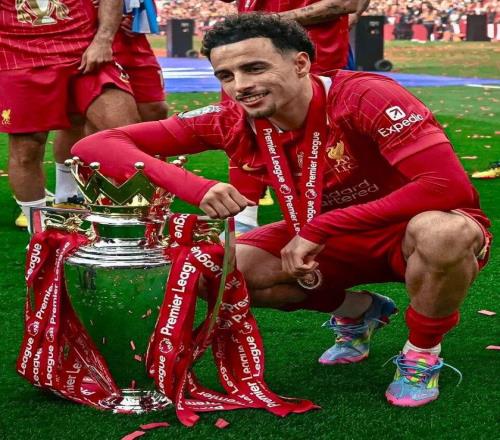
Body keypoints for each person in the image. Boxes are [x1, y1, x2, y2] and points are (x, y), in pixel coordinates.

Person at [73, 14, 492, 407]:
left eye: (254, 68)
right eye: (226, 76)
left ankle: (421, 353)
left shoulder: (364, 96)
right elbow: (95, 145)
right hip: (321, 241)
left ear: (301, 64)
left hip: (406, 233)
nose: (240, 86)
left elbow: (447, 186)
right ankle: (360, 310)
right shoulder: (231, 119)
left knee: (445, 233)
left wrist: (323, 225)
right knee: (217, 271)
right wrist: (196, 188)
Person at [220, 0, 370, 233]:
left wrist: (268, 22)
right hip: (248, 47)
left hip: (306, 49)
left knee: (320, 135)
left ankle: (335, 217)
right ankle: (244, 218)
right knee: (245, 123)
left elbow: (345, 3)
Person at [0, 0, 140, 232]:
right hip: (19, 54)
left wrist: (103, 39)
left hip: (83, 47)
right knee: (26, 150)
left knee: (124, 129)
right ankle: (40, 234)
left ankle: (128, 222)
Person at [50, 11, 168, 209]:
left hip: (130, 40)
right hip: (84, 37)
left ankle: (152, 183)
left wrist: (140, 16)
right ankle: (67, 193)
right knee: (76, 117)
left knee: (155, 109)